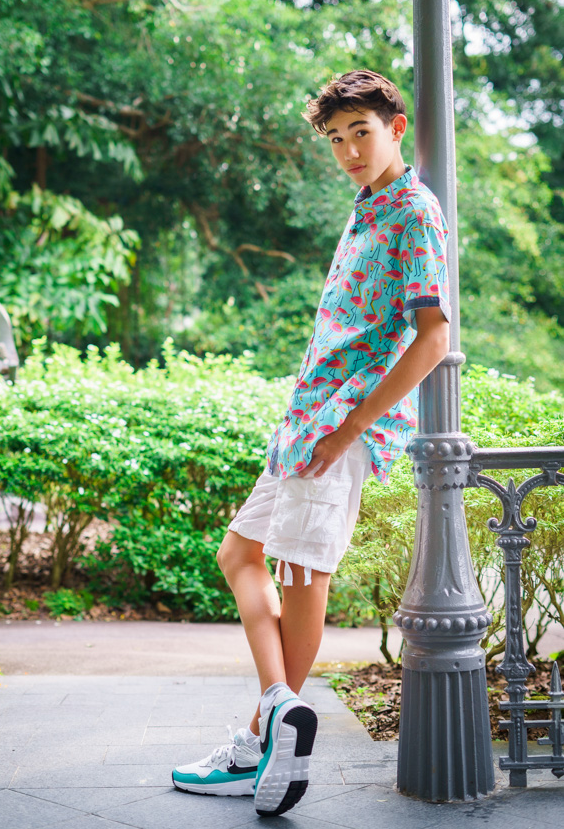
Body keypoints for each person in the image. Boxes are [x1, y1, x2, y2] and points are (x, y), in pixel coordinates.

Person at [171, 69, 451, 816]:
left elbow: (433, 337)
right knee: (239, 554)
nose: (349, 149)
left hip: (337, 426)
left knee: (300, 574)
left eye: (360, 132)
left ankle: (268, 739)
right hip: (306, 421)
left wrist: (352, 426)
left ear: (395, 127)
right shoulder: (367, 208)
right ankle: (276, 711)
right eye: (335, 139)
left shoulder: (413, 211)